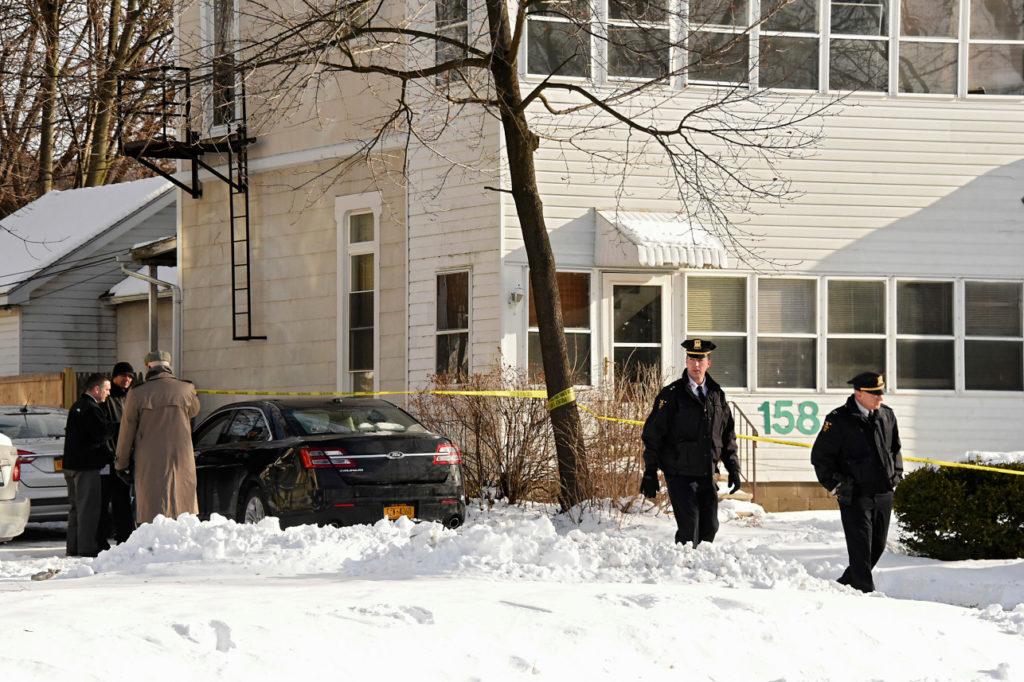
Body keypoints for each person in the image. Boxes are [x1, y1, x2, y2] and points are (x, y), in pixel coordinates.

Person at [640, 338, 741, 547]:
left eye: (700, 359)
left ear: (708, 363)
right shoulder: (671, 395)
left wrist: (733, 468)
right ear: (686, 361)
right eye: (691, 359)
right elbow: (653, 433)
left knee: (710, 527)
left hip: (706, 472)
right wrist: (650, 470)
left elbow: (727, 434)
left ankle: (701, 569)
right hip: (679, 473)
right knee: (689, 527)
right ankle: (684, 570)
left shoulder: (716, 395)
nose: (696, 365)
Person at [811, 371, 903, 593]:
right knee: (860, 549)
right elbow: (820, 457)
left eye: (881, 393)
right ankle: (866, 596)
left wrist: (896, 476)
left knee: (877, 547)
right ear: (859, 394)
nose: (880, 398)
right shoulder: (838, 419)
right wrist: (835, 486)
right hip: (856, 495)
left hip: (883, 493)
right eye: (875, 394)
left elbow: (895, 449)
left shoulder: (887, 415)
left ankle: (843, 586)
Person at [114, 350, 201, 525]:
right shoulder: (187, 389)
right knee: (183, 510)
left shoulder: (138, 392)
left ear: (148, 367)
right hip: (182, 457)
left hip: (149, 460)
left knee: (153, 512)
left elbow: (127, 430)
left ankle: (154, 546)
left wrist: (121, 463)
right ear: (169, 366)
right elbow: (194, 411)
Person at [63, 373, 114, 557]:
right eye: (107, 389)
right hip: (86, 467)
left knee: (75, 507)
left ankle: (73, 546)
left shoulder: (76, 406)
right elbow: (101, 433)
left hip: (70, 466)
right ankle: (86, 548)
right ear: (96, 389)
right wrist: (115, 426)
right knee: (88, 509)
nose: (108, 393)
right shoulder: (91, 408)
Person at [97, 361, 136, 546]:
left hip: (128, 456)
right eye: (123, 375)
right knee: (108, 500)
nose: (127, 379)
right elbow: (103, 428)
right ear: (114, 377)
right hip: (110, 457)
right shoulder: (107, 399)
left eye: (130, 376)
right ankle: (104, 538)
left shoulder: (132, 397)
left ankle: (126, 537)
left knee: (124, 500)